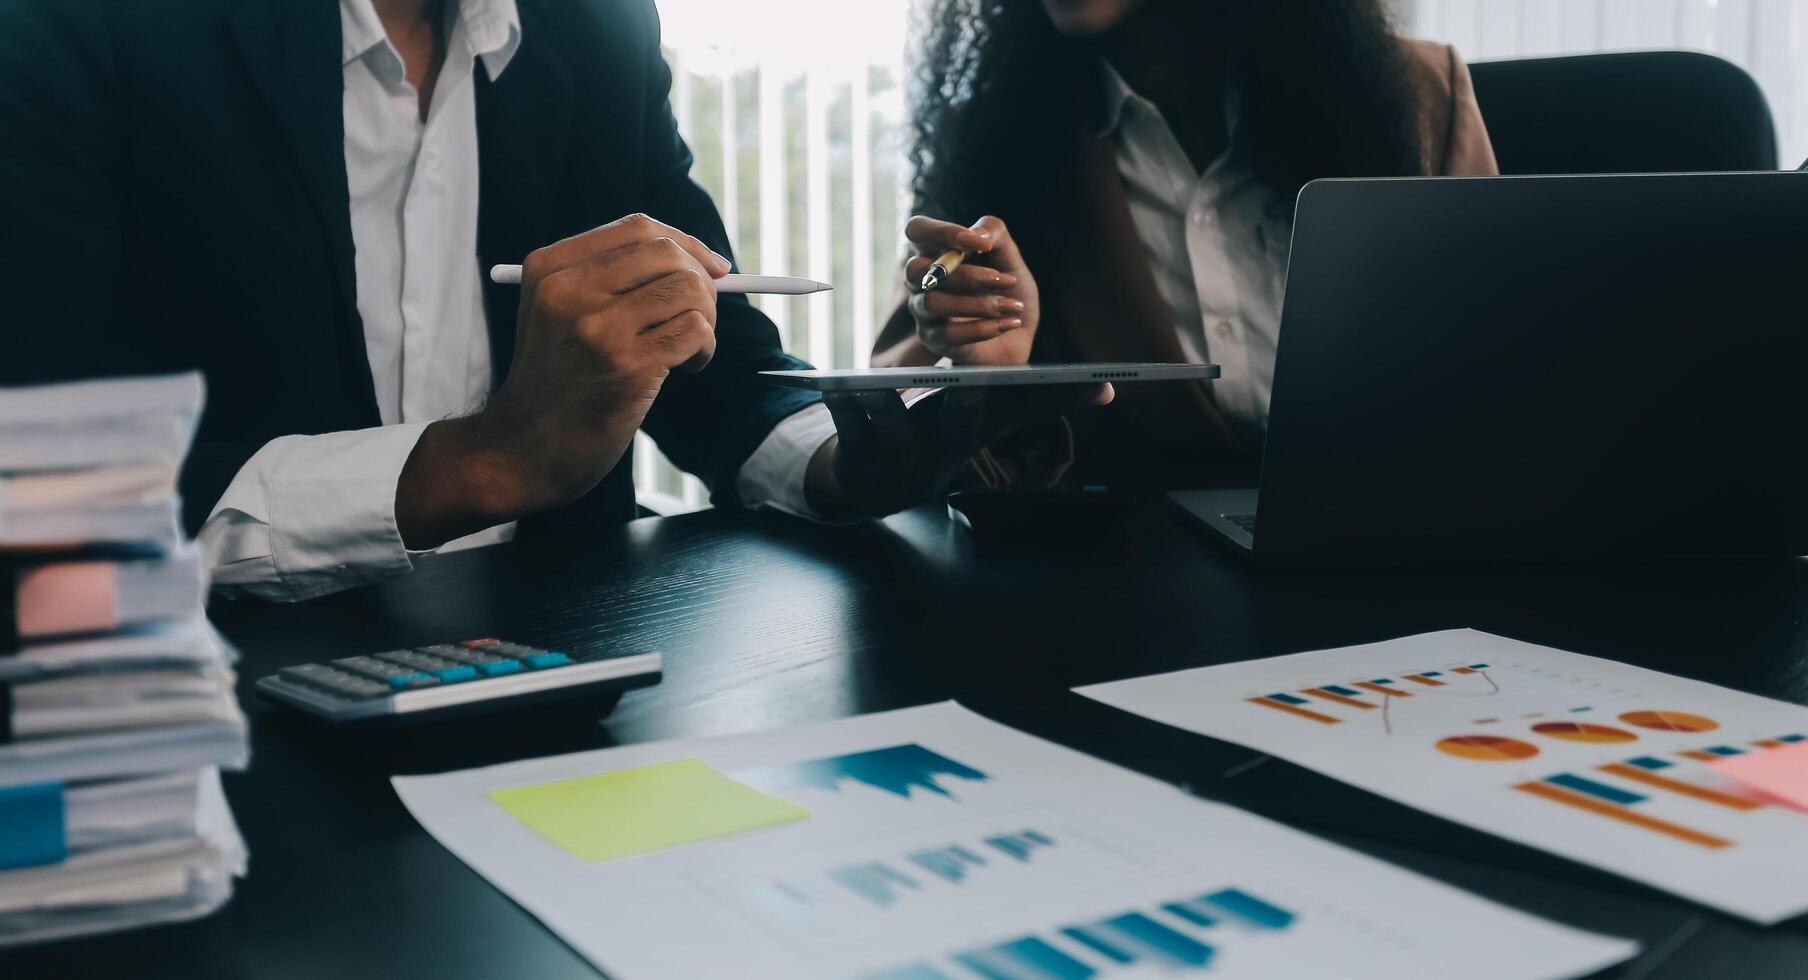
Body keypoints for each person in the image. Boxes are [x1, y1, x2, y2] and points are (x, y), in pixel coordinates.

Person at [0, 0, 1103, 601]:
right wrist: (492, 460)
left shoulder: (595, 25)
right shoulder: (80, 27)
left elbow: (713, 363)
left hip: (560, 667)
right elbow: (37, 474)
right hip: (198, 701)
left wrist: (852, 453)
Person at [877, 0, 1498, 488]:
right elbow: (886, 404)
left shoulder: (1419, 96)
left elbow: (1504, 382)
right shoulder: (1003, 139)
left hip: (1404, 568)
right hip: (1136, 595)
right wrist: (968, 365)